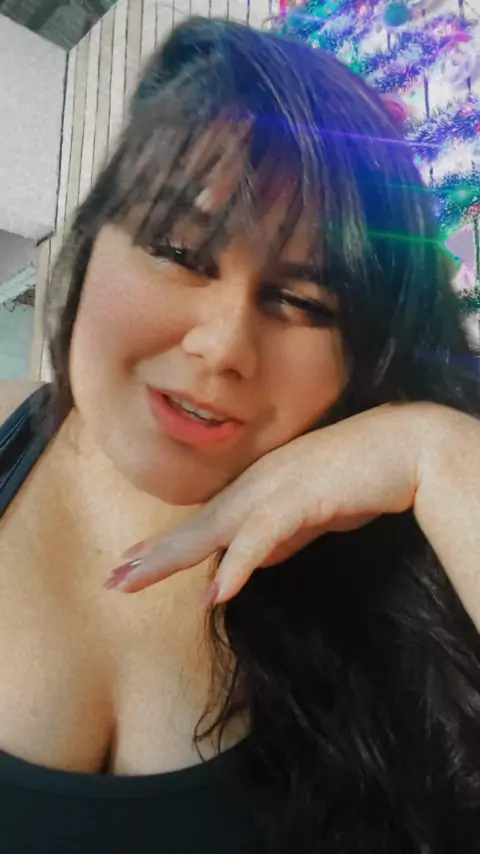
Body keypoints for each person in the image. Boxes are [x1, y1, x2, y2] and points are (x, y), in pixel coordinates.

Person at [1, 15, 480, 854]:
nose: (223, 346)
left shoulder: (407, 550)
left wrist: (436, 453)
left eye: (304, 302)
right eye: (179, 249)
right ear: (90, 239)